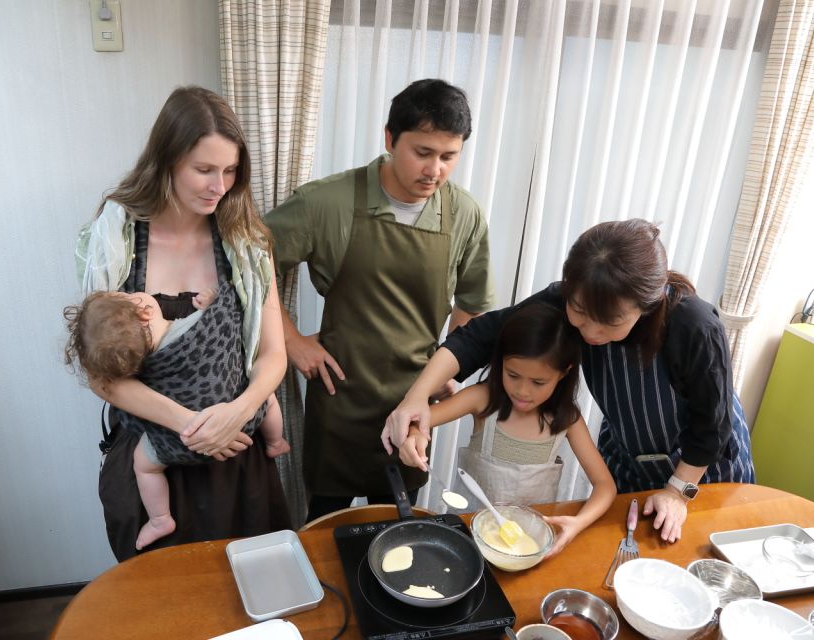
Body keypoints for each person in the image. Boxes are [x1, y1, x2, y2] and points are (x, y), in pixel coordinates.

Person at [385, 219, 755, 543]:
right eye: (578, 312)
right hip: (630, 457)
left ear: (648, 303)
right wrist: (417, 398)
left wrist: (677, 491)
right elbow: (481, 336)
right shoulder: (565, 299)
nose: (590, 331)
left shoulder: (693, 325)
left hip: (703, 469)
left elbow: (712, 423)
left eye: (609, 321)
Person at [74, 85, 291, 560]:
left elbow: (273, 354)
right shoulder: (118, 236)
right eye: (204, 169)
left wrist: (240, 408)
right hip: (152, 456)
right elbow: (101, 374)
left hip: (236, 455)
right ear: (167, 159)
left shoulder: (246, 241)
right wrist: (193, 426)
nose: (220, 186)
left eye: (231, 170)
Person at [265, 79, 494, 521]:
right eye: (422, 153)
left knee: (400, 529)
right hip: (340, 398)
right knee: (324, 526)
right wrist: (290, 340)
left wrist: (453, 362)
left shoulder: (464, 214)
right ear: (389, 139)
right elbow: (254, 260)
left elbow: (472, 300)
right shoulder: (326, 202)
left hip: (412, 403)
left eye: (449, 156)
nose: (435, 170)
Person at [63, 290, 289, 551]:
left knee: (144, 466)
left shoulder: (140, 365)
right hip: (240, 427)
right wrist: (213, 304)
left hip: (172, 444)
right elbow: (228, 320)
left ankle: (160, 519)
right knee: (267, 395)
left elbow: (108, 384)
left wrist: (188, 425)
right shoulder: (196, 323)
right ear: (145, 310)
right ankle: (275, 441)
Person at [397, 303, 615, 557]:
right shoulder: (482, 399)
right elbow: (417, 421)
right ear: (500, 362)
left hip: (527, 548)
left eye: (538, 382)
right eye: (512, 375)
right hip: (466, 540)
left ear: (564, 374)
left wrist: (577, 523)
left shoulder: (567, 419)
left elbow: (605, 486)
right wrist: (415, 435)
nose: (522, 391)